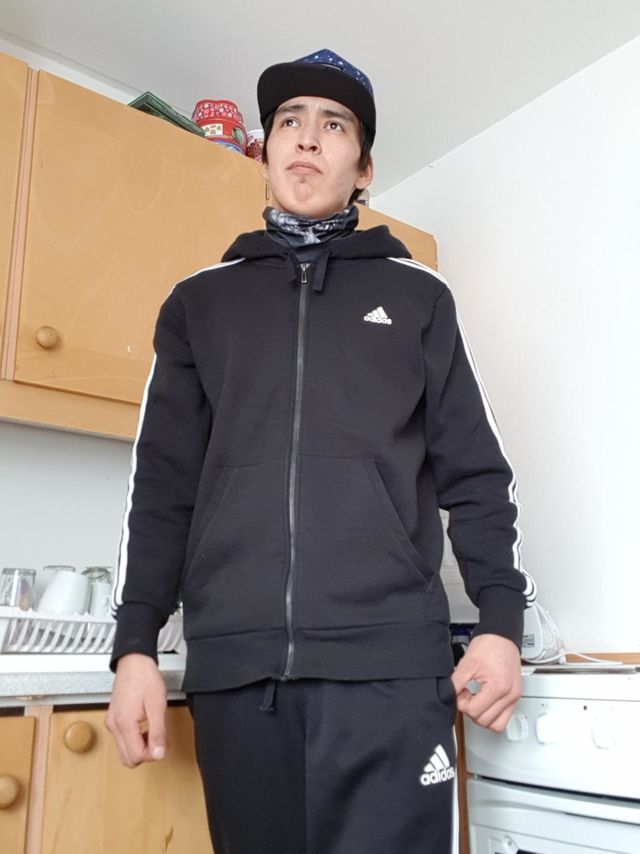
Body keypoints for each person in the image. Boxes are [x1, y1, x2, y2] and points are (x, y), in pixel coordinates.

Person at [106, 49, 536, 854]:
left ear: (363, 167)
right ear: (266, 150)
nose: (307, 137)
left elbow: (478, 475)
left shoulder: (417, 296)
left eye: (334, 125)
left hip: (390, 673)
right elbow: (162, 487)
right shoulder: (199, 302)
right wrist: (134, 648)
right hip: (238, 676)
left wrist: (502, 625)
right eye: (289, 122)